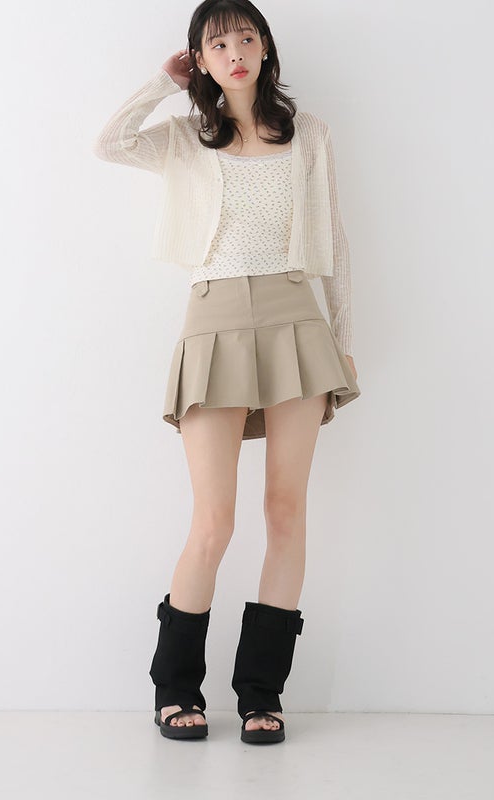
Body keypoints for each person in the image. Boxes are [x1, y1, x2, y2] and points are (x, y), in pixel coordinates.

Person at [92, 0, 361, 744]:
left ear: (266, 48)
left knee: (286, 512)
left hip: (295, 318)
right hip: (213, 319)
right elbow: (109, 144)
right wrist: (162, 83)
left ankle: (261, 694)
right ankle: (176, 687)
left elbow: (334, 238)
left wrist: (343, 337)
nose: (235, 51)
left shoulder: (308, 134)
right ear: (201, 60)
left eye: (247, 37)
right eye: (218, 44)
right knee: (214, 521)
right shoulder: (188, 136)